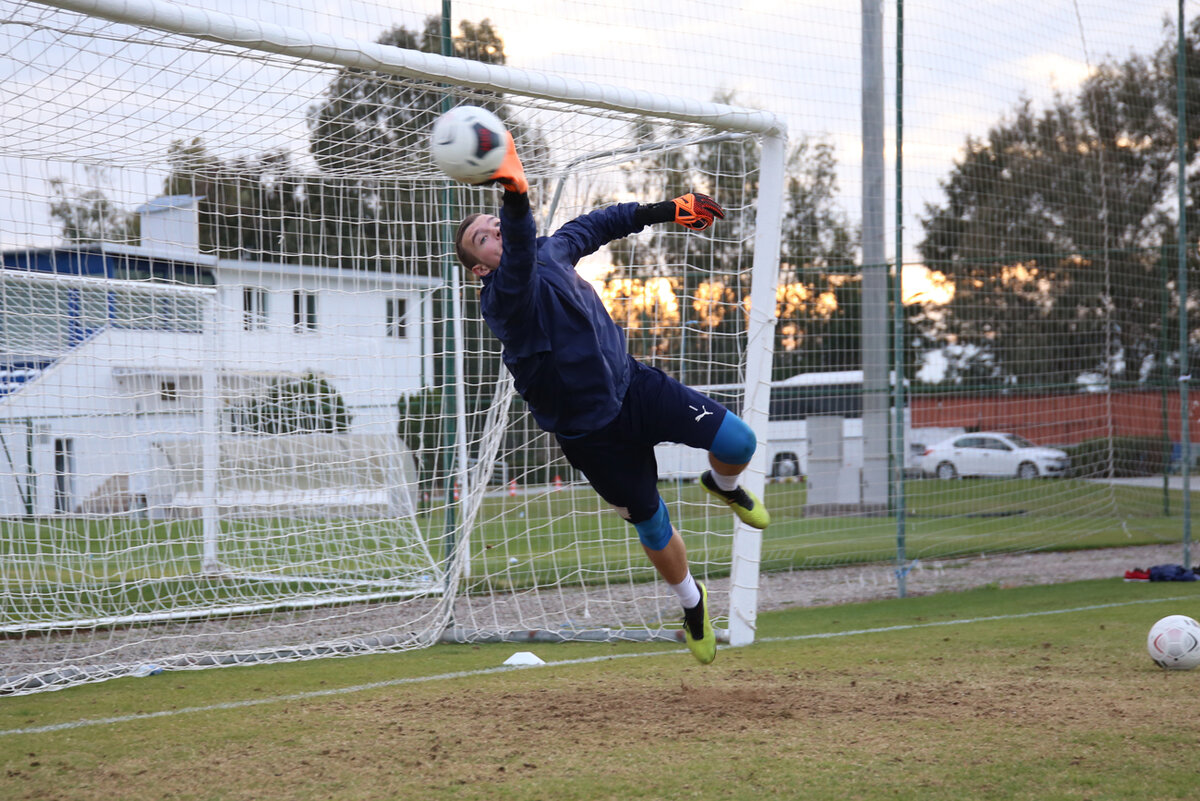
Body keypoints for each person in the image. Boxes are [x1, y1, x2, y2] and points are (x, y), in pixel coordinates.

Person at [454, 133, 769, 665]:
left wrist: (670, 208)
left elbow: (602, 222)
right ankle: (692, 604)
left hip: (636, 388)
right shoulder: (502, 298)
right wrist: (512, 189)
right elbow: (521, 235)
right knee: (650, 520)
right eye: (484, 239)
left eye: (492, 224)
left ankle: (722, 483)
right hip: (591, 437)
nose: (494, 234)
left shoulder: (553, 251)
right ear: (480, 268)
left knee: (740, 440)